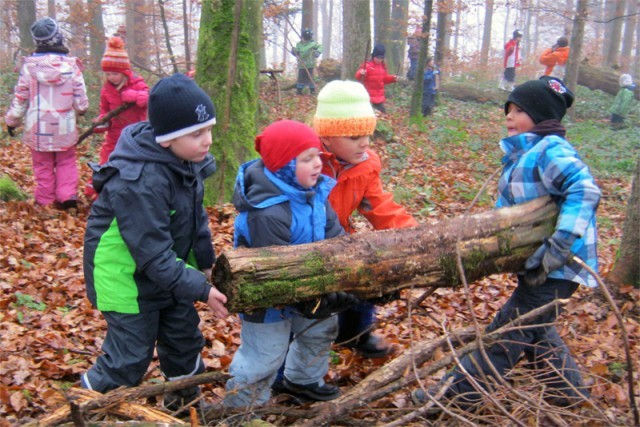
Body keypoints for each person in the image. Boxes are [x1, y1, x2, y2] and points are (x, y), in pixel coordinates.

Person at [412, 76, 601, 411]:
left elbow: (584, 189)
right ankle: (568, 391)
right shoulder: (521, 155)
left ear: (542, 117)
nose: (509, 117)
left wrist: (561, 243)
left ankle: (454, 397)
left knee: (509, 330)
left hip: (561, 263)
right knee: (535, 326)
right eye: (508, 110)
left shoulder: (550, 150)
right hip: (537, 260)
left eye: (519, 110)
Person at [81, 73, 229, 414]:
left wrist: (205, 265)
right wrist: (202, 290)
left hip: (168, 273)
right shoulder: (139, 181)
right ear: (167, 139)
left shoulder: (187, 164)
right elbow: (151, 253)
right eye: (197, 133)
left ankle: (187, 407)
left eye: (209, 129)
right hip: (126, 280)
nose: (208, 140)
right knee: (129, 357)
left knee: (183, 342)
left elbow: (196, 222)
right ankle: (83, 407)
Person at [223, 120, 357, 412]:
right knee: (265, 355)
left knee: (320, 330)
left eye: (318, 156)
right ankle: (240, 408)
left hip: (309, 287)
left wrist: (343, 278)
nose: (317, 164)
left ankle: (302, 379)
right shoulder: (268, 211)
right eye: (306, 159)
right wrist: (316, 292)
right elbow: (275, 271)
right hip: (266, 297)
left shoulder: (317, 196)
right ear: (284, 165)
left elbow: (337, 240)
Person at [312, 80, 418, 358]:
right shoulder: (305, 160)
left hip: (340, 238)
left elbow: (379, 206)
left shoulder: (364, 166)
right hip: (302, 241)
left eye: (367, 134)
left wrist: (414, 237)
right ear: (327, 136)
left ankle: (355, 333)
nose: (365, 143)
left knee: (368, 275)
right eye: (354, 136)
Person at [4, 17, 89, 210]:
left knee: (43, 166)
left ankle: (46, 201)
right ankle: (68, 197)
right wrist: (81, 109)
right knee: (66, 161)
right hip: (63, 126)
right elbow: (81, 100)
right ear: (58, 38)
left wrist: (12, 121)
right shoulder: (72, 67)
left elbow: (20, 97)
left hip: (38, 128)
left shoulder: (29, 68)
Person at [85, 35, 149, 199]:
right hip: (114, 134)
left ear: (124, 72)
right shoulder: (106, 90)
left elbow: (148, 98)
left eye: (115, 73)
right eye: (108, 74)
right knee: (107, 160)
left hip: (136, 134)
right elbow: (104, 110)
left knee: (135, 162)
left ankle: (134, 191)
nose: (111, 77)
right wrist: (101, 123)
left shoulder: (137, 83)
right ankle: (98, 189)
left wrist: (134, 95)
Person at [355, 43, 398, 113]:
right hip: (368, 96)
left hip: (379, 97)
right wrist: (360, 73)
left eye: (381, 58)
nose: (379, 60)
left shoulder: (383, 66)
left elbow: (384, 79)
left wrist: (392, 78)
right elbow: (358, 76)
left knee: (382, 113)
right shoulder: (367, 65)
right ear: (373, 56)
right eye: (377, 57)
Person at [291, 28, 322, 95]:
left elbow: (320, 46)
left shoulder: (313, 44)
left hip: (310, 64)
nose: (306, 40)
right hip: (301, 65)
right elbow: (297, 53)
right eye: (305, 38)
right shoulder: (299, 44)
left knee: (310, 78)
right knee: (301, 78)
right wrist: (294, 51)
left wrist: (318, 52)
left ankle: (312, 91)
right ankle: (299, 91)